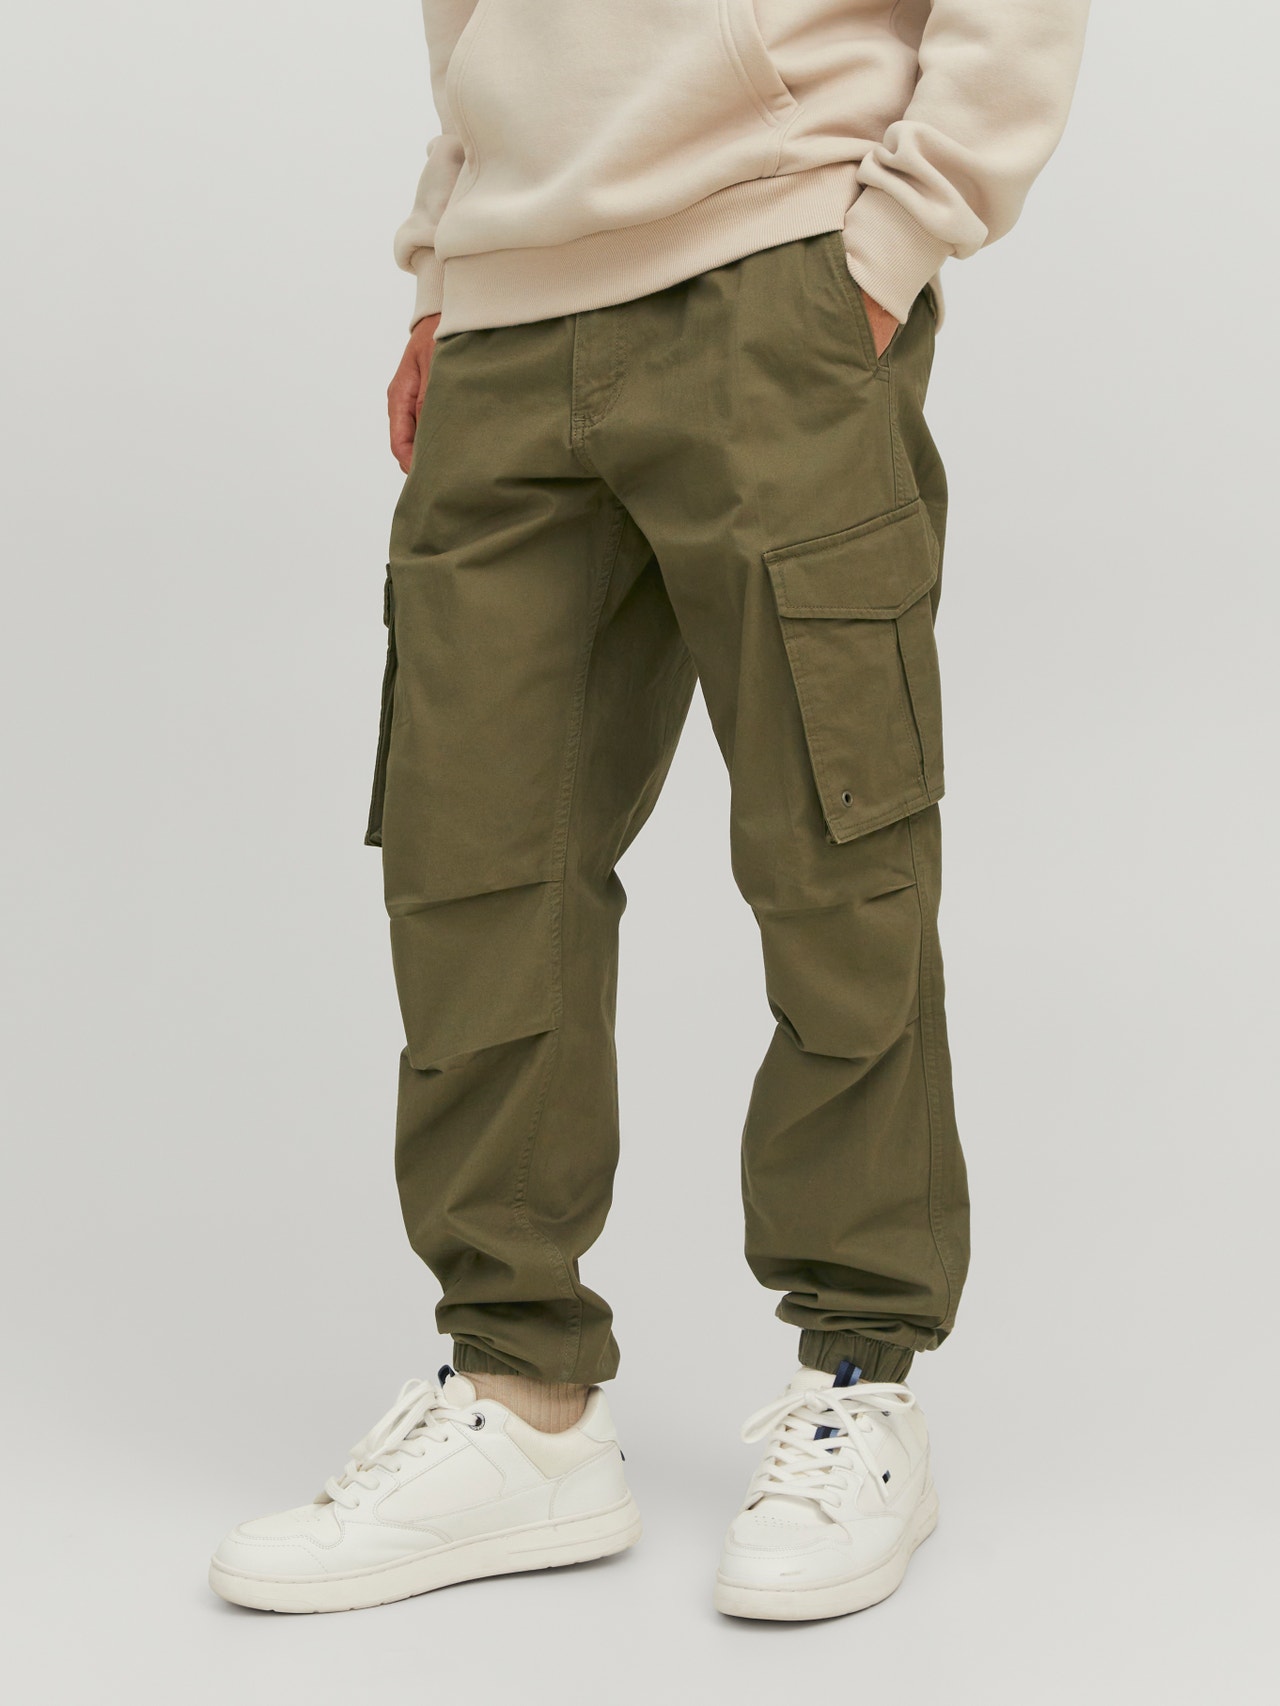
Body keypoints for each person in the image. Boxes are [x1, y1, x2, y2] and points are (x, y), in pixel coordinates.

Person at [210, 0, 1089, 1621]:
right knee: (471, 860)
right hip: (506, 304)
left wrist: (898, 232)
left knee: (836, 850)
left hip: (775, 271)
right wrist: (442, 263)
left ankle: (859, 1378)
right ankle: (520, 1400)